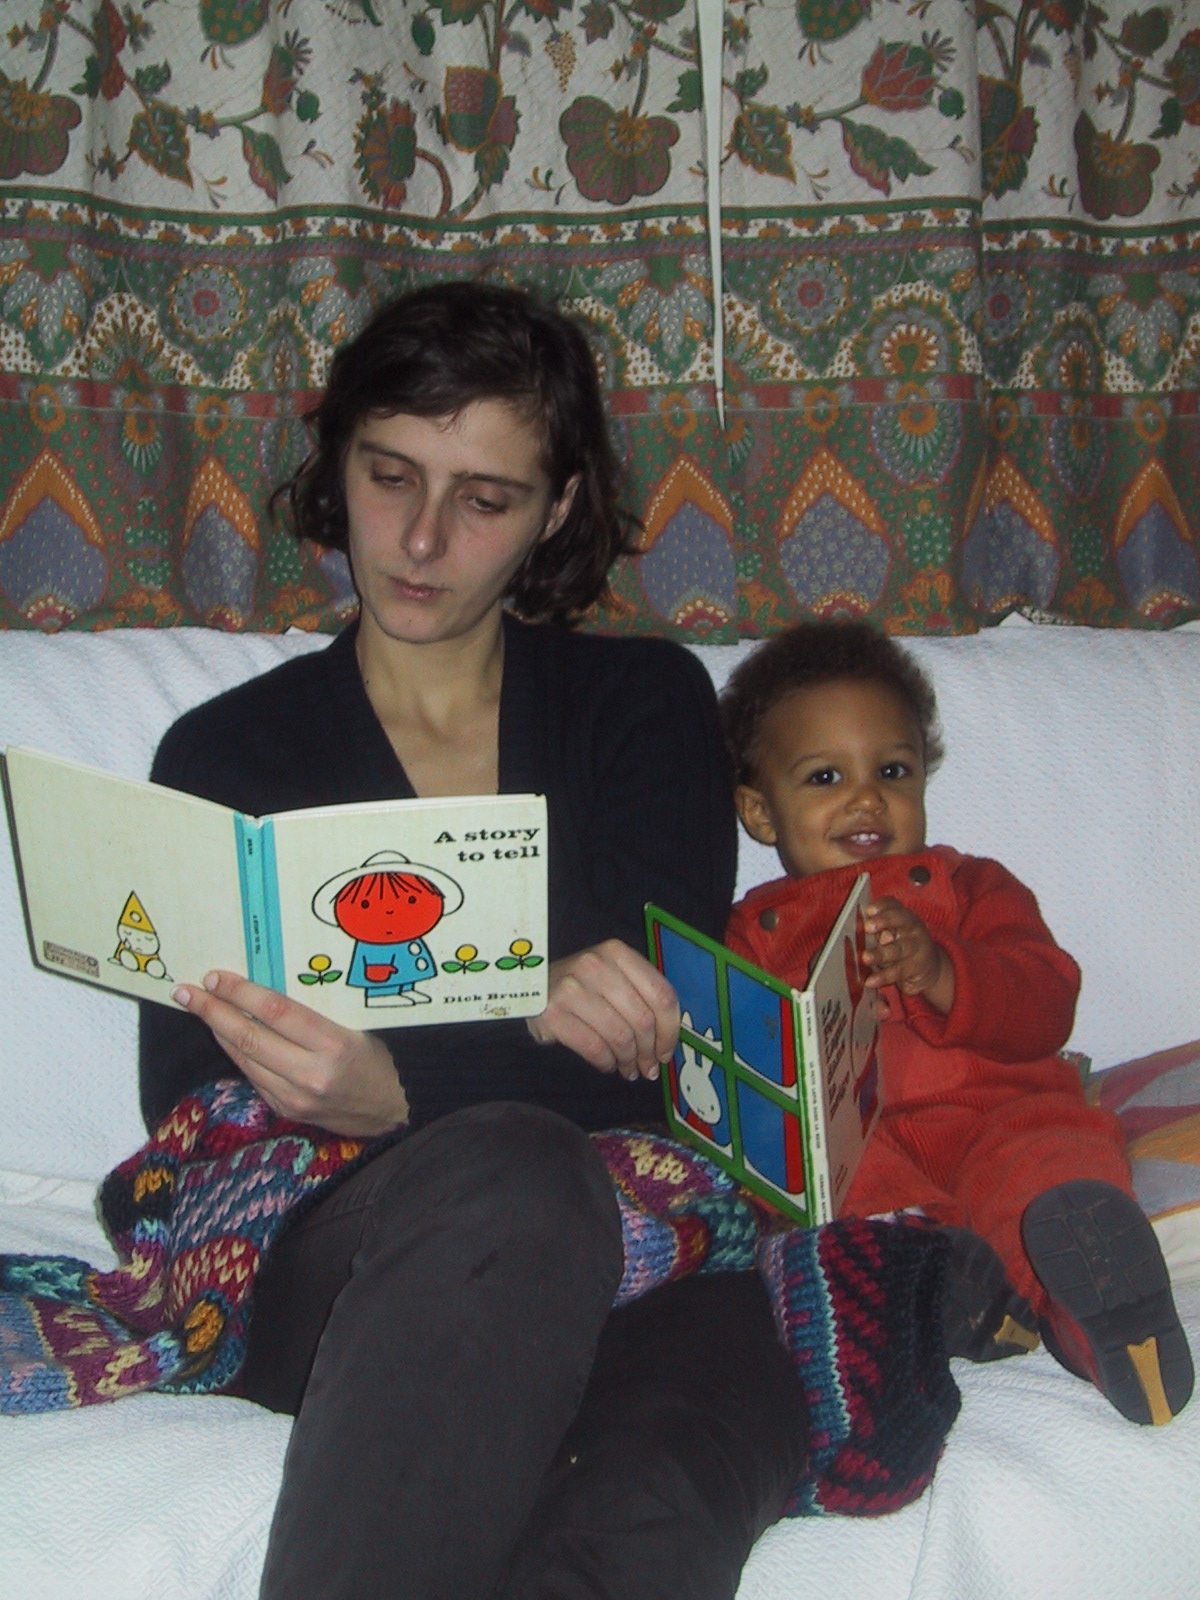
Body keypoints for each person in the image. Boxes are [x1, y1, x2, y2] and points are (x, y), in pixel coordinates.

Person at [139, 282, 958, 1600]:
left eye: (484, 499)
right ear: (338, 462)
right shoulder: (228, 755)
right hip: (347, 1259)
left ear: (558, 507)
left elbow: (645, 1059)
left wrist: (397, 1071)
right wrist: (451, 1061)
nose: (419, 539)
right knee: (516, 1171)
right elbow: (190, 1092)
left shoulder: (642, 707)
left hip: (657, 1239)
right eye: (389, 476)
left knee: (717, 1408)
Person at [720, 618, 1194, 1427]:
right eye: (826, 776)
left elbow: (1048, 1000)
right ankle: (959, 1298)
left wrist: (942, 971)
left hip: (1001, 1114)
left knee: (1049, 1174)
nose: (867, 797)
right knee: (845, 1217)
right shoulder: (752, 934)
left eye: (892, 770)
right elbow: (742, 1083)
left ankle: (1104, 1319)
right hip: (865, 1154)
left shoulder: (971, 887)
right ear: (761, 813)